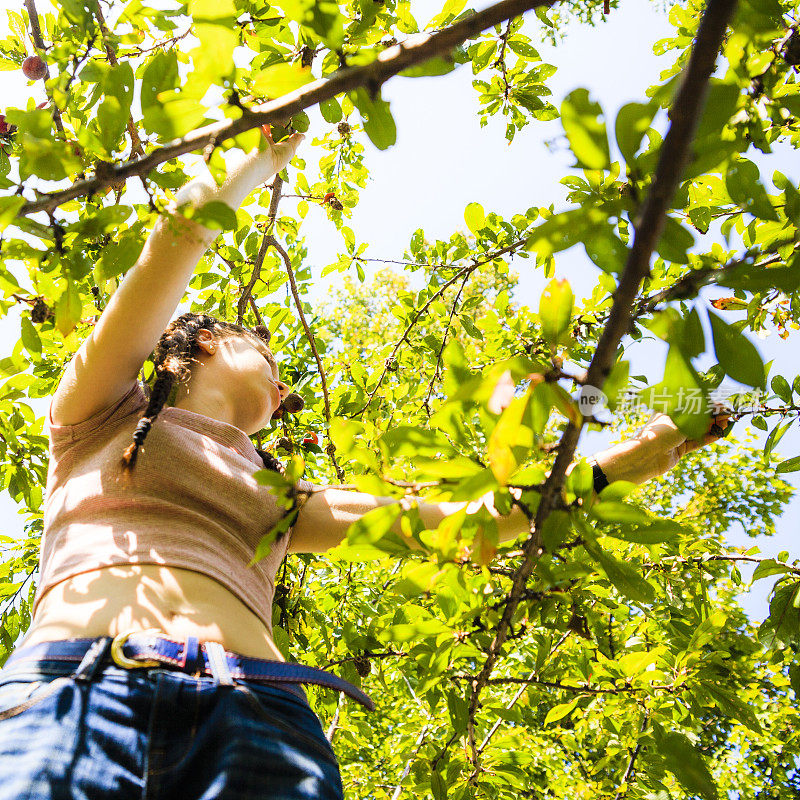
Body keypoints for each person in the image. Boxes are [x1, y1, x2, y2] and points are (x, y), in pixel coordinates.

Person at [0, 126, 729, 799]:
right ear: (208, 343)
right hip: (69, 683)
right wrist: (258, 156)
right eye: (271, 359)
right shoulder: (95, 412)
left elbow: (469, 524)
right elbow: (173, 243)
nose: (285, 387)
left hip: (256, 713)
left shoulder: (280, 495)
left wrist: (624, 462)